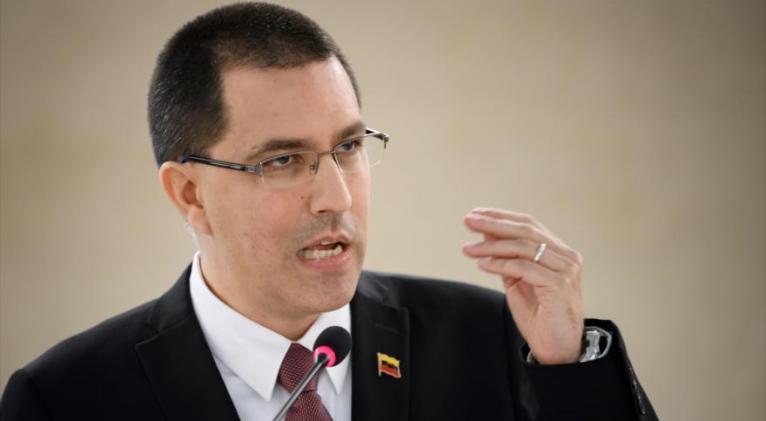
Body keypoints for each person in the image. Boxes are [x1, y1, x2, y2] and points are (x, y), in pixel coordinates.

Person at [0, 3, 658, 420]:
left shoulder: (499, 342)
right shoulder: (64, 399)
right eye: (283, 160)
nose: (337, 197)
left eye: (348, 147)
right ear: (189, 195)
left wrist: (572, 373)